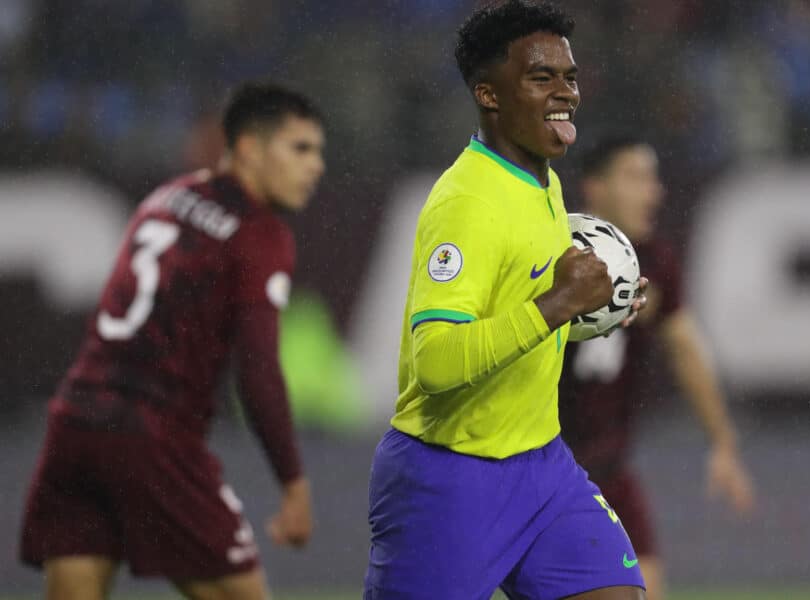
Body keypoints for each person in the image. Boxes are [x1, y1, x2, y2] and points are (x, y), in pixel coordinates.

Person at [364, 2, 650, 599]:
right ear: (489, 95)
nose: (565, 92)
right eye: (541, 78)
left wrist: (594, 312)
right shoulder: (466, 204)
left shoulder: (543, 180)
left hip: (542, 467)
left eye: (569, 77)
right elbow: (437, 361)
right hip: (448, 478)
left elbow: (517, 317)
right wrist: (559, 304)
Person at [19, 83, 325, 600]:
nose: (315, 165)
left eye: (318, 152)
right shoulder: (259, 233)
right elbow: (258, 370)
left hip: (75, 424)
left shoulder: (168, 197)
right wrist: (293, 482)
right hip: (152, 433)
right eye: (300, 148)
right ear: (248, 148)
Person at [559, 135, 755, 599]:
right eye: (636, 177)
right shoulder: (552, 252)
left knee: (647, 590)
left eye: (653, 179)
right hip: (540, 468)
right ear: (595, 188)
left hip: (608, 468)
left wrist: (722, 442)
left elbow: (685, 346)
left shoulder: (656, 263)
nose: (654, 191)